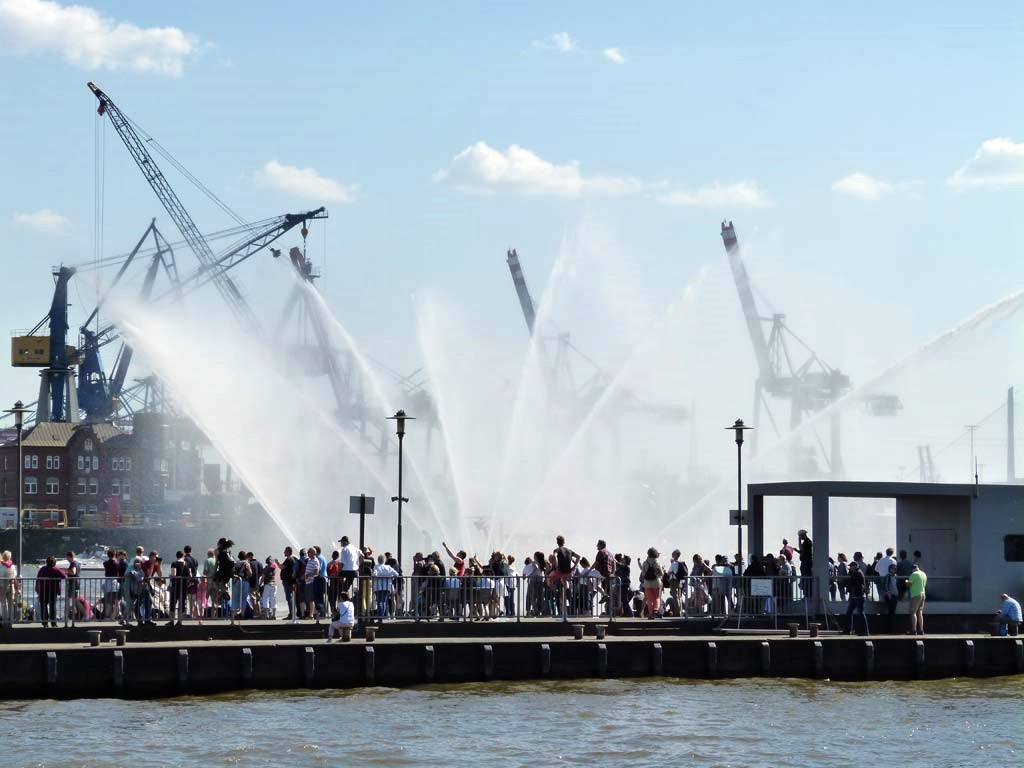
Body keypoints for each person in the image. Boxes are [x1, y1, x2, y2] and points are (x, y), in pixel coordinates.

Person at [36, 555, 65, 628]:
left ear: (46, 562)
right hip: (53, 591)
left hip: (42, 591)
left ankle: (45, 623)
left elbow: (37, 578)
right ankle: (53, 623)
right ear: (54, 563)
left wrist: (37, 589)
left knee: (43, 606)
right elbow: (64, 576)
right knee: (52, 607)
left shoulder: (42, 569)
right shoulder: (56, 570)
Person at [845, 560, 869, 635]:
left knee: (860, 613)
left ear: (855, 566)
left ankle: (864, 631)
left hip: (858, 596)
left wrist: (849, 589)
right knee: (852, 612)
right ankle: (851, 630)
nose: (850, 568)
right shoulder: (856, 573)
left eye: (851, 566)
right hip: (856, 596)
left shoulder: (857, 573)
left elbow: (855, 584)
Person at [640, 548, 664, 619]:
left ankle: (651, 614)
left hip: (647, 583)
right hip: (656, 582)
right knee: (657, 597)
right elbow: (661, 573)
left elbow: (643, 573)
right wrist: (657, 576)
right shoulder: (657, 562)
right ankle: (656, 609)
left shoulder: (645, 562)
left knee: (649, 599)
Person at [879, 563, 899, 633]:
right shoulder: (888, 576)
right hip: (891, 596)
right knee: (891, 612)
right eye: (893, 568)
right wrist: (888, 593)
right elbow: (885, 586)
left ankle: (892, 628)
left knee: (892, 612)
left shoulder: (895, 577)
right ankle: (890, 629)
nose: (895, 570)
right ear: (890, 569)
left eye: (895, 568)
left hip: (895, 596)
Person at [0, 550, 18, 625]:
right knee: (11, 604)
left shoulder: (0, 566)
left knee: (4, 604)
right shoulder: (13, 566)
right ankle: (11, 621)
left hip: (2, 587)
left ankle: (5, 620)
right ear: (9, 557)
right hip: (11, 586)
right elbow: (15, 576)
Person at [908, 563, 927, 635]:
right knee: (920, 612)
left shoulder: (914, 574)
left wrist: (906, 581)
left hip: (915, 594)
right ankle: (921, 630)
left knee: (913, 612)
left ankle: (914, 630)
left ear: (913, 569)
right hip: (923, 594)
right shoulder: (924, 574)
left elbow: (909, 584)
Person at [280, 546, 296, 621]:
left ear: (289, 551)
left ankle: (291, 613)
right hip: (289, 581)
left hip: (288, 581)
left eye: (285, 551)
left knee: (289, 598)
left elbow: (281, 567)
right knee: (290, 597)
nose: (284, 552)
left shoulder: (289, 559)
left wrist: (276, 562)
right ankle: (292, 612)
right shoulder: (291, 559)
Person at [797, 529, 813, 598]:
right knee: (804, 578)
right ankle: (806, 594)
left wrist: (799, 541)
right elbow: (802, 551)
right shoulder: (807, 542)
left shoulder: (807, 542)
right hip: (805, 562)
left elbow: (801, 549)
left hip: (806, 562)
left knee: (806, 578)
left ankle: (807, 594)